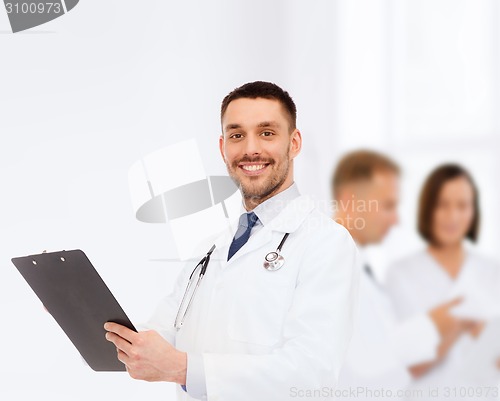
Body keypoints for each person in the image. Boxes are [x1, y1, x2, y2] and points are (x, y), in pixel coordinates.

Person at [104, 81, 359, 401]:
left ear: (294, 143)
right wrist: (84, 311)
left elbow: (311, 372)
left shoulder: (326, 243)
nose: (250, 149)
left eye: (267, 132)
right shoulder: (210, 249)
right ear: (223, 147)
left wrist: (184, 369)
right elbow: (163, 333)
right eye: (237, 135)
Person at [332, 151, 462, 399]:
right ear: (350, 202)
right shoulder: (329, 266)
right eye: (388, 206)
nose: (396, 219)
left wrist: (447, 331)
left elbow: (392, 364)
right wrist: (434, 325)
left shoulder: (358, 263)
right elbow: (365, 369)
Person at [385, 164, 500, 399]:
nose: (453, 216)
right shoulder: (400, 274)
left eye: (462, 206)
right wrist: (458, 324)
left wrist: (482, 338)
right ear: (428, 209)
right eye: (442, 205)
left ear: (473, 211)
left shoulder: (492, 272)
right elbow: (404, 364)